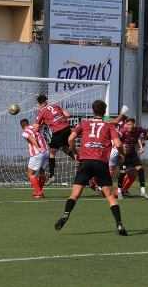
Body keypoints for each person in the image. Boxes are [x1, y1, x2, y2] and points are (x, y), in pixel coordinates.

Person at [54, 100, 128, 236]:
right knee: (110, 197)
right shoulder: (109, 125)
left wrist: (75, 153)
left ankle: (65, 214)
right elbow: (117, 144)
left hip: (85, 162)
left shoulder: (84, 123)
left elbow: (70, 139)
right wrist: (123, 155)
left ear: (92, 110)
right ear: (104, 112)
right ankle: (119, 224)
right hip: (101, 163)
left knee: (75, 194)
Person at [35, 94, 74, 180]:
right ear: (46, 101)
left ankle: (52, 175)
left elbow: (36, 127)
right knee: (65, 148)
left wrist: (37, 125)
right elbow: (67, 115)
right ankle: (78, 160)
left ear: (39, 103)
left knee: (52, 152)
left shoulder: (41, 111)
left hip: (58, 131)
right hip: (67, 128)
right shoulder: (55, 106)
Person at [117, 119, 148, 200]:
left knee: (140, 169)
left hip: (133, 153)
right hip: (124, 153)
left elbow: (143, 135)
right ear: (126, 125)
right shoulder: (123, 131)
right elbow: (117, 141)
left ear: (134, 124)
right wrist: (121, 151)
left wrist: (141, 147)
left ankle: (143, 191)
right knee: (122, 172)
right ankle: (119, 192)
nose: (129, 126)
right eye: (128, 124)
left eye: (131, 124)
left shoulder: (139, 129)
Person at [20, 118, 49, 199]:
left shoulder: (25, 132)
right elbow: (42, 124)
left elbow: (31, 138)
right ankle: (39, 191)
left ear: (22, 126)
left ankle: (38, 192)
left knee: (31, 174)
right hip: (46, 152)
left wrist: (37, 147)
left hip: (37, 153)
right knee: (42, 172)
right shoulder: (35, 127)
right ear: (28, 123)